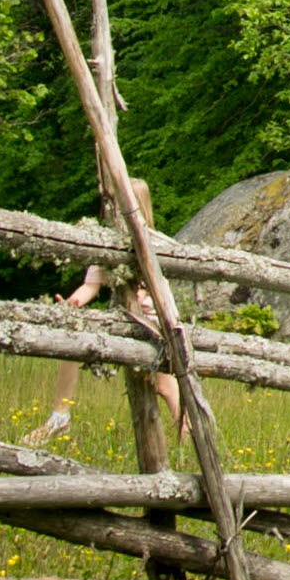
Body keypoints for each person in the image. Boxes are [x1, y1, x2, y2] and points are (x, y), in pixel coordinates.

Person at [25, 178, 178, 449]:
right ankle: (59, 417)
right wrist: (72, 303)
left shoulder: (157, 244)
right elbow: (91, 285)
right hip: (126, 321)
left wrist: (146, 297)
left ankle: (187, 433)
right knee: (72, 345)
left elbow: (165, 290)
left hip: (155, 324)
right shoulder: (108, 245)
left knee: (164, 387)